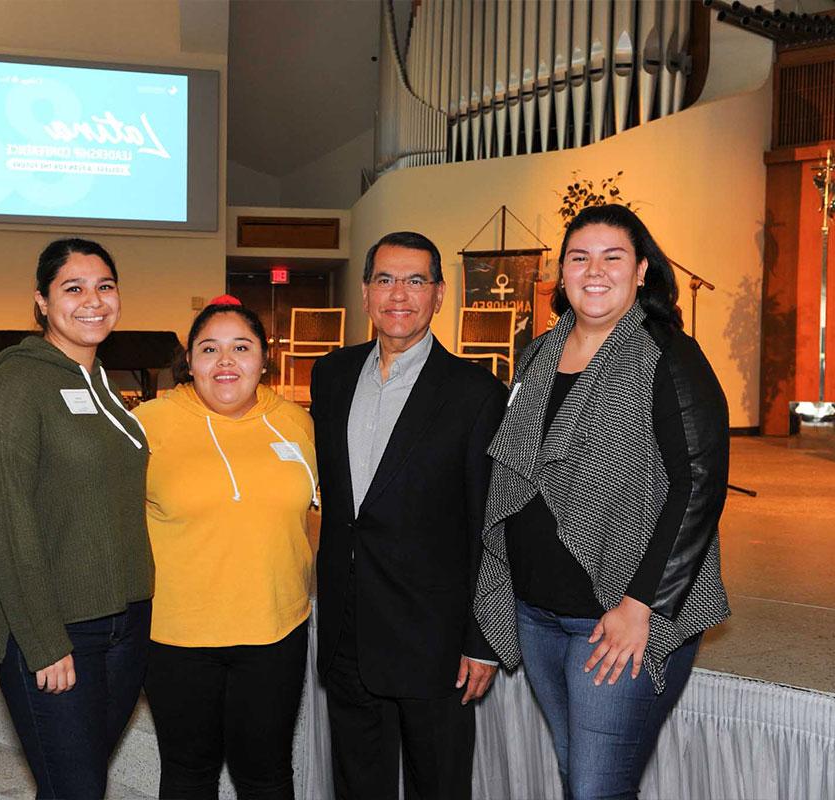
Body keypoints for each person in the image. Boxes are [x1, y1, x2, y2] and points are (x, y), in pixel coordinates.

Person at [475, 204, 731, 799]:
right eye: (579, 257)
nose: (595, 270)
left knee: (595, 790)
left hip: (618, 617)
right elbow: (515, 471)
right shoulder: (537, 353)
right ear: (560, 273)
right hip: (537, 612)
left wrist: (643, 603)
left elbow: (699, 487)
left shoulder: (669, 355)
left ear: (642, 270)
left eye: (613, 257)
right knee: (578, 778)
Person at [310, 231, 508, 800]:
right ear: (366, 293)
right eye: (386, 280)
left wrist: (483, 638)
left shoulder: (476, 393)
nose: (400, 294)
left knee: (438, 787)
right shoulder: (331, 377)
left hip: (435, 642)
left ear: (440, 294)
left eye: (416, 280)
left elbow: (489, 525)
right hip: (349, 632)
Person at [0, 238, 153, 799]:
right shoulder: (16, 381)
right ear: (43, 302)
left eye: (105, 286)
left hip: (125, 623)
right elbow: (6, 517)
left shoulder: (103, 383)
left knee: (78, 784)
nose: (92, 301)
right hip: (55, 630)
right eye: (73, 288)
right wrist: (44, 640)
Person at [135, 298, 318, 800]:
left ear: (264, 358)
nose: (225, 362)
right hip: (178, 637)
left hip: (274, 631)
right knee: (188, 774)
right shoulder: (148, 424)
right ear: (188, 362)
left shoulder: (297, 424)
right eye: (209, 349)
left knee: (266, 775)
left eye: (241, 347)